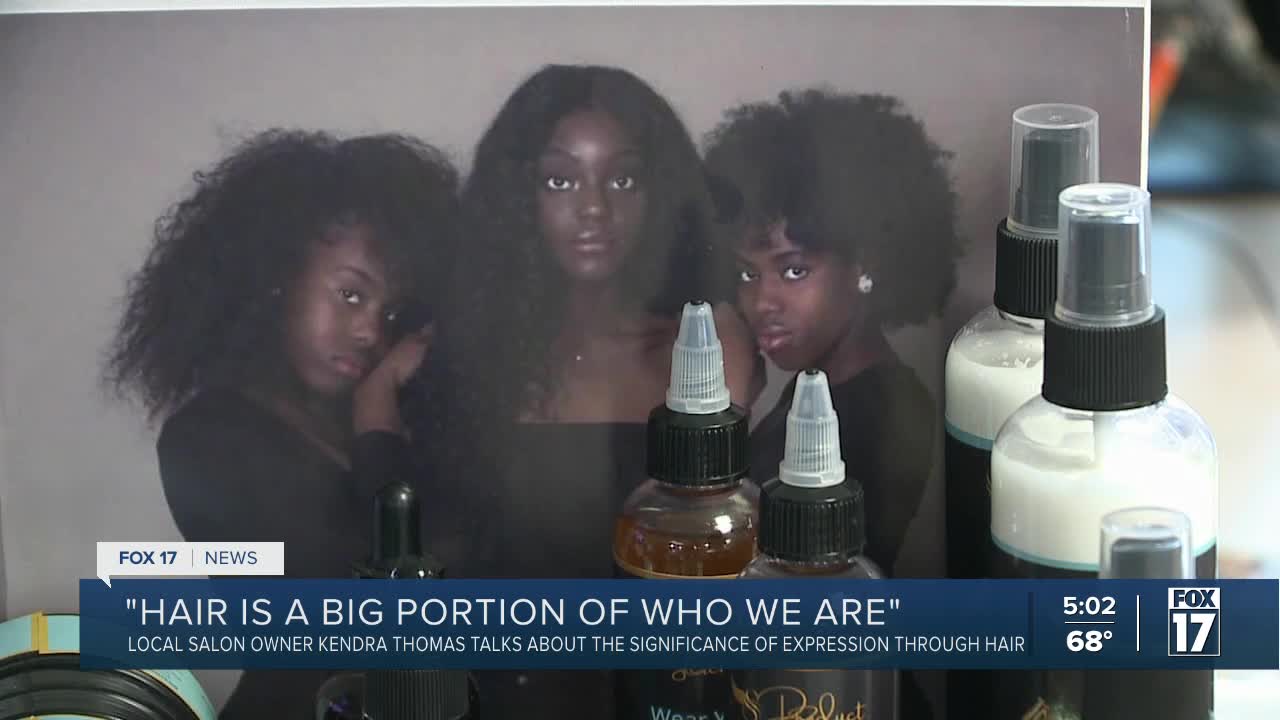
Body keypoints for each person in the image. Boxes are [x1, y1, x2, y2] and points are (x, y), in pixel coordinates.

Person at [356, 64, 761, 720]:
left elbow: (720, 553)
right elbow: (396, 560)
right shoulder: (456, 359)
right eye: (560, 179)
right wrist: (377, 394)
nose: (593, 207)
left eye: (622, 179)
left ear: (659, 194)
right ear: (520, 198)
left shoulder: (705, 347)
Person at [105, 128, 460, 719]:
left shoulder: (386, 422)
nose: (371, 332)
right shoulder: (210, 437)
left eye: (392, 312)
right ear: (278, 280)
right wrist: (377, 418)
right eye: (351, 295)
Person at [704, 88, 963, 718]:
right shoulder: (818, 387)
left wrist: (728, 403)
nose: (762, 302)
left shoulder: (881, 410)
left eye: (793, 270)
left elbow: (750, 584)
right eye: (747, 274)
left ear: (865, 264)